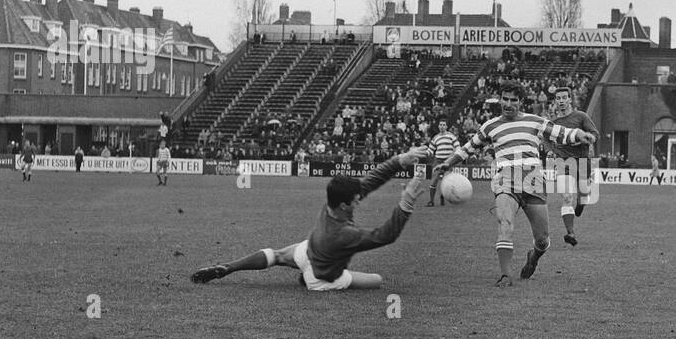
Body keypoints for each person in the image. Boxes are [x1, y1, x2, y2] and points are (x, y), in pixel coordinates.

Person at [191, 148, 428, 291]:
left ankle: (228, 268)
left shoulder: (332, 204)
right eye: (356, 199)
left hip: (308, 250)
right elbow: (385, 235)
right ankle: (308, 280)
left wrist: (400, 160)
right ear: (346, 204)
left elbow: (369, 182)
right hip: (322, 277)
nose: (359, 199)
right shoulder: (345, 234)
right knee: (376, 280)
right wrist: (406, 201)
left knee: (276, 255)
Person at [433, 83, 594, 286]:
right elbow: (468, 148)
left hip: (533, 181)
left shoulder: (535, 121)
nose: (509, 103)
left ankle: (533, 256)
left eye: (514, 100)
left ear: (521, 102)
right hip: (505, 181)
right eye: (505, 99)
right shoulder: (490, 126)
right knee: (505, 224)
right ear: (500, 99)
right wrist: (447, 163)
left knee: (543, 240)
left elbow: (563, 133)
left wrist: (581, 135)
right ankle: (505, 275)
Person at [542, 89, 599, 245]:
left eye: (564, 98)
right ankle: (571, 233)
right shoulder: (553, 123)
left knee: (584, 192)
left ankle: (582, 203)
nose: (561, 101)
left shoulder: (581, 117)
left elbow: (595, 133)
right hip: (562, 162)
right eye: (558, 98)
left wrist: (589, 138)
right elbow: (545, 138)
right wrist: (550, 151)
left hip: (582, 161)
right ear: (555, 101)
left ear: (569, 100)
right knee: (567, 197)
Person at [426, 118, 460, 207]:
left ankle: (442, 197)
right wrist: (424, 153)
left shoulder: (451, 136)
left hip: (448, 162)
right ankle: (431, 201)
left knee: (445, 182)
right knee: (434, 180)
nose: (442, 126)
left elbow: (458, 148)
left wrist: (452, 156)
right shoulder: (435, 137)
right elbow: (430, 150)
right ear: (438, 126)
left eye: (443, 125)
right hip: (438, 161)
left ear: (446, 126)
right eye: (440, 125)